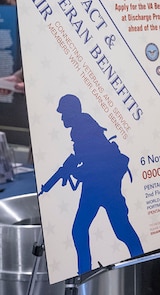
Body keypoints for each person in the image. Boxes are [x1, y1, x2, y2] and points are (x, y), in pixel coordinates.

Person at [39, 94, 144, 274]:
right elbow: (82, 157)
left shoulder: (81, 127)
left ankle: (85, 272)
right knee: (114, 229)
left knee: (90, 230)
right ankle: (87, 270)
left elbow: (91, 157)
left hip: (100, 185)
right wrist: (66, 170)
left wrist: (70, 170)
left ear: (72, 112)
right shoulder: (83, 125)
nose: (62, 117)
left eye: (64, 113)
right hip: (100, 184)